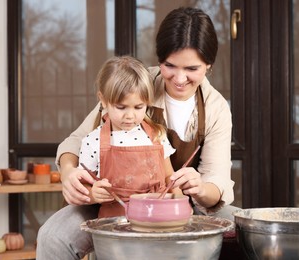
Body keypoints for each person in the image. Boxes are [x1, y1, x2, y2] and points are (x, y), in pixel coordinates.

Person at [37, 7, 237, 260]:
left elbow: (216, 184)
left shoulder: (216, 107)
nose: (179, 78)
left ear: (208, 65)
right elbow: (76, 141)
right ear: (159, 58)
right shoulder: (135, 83)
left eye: (192, 69)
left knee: (243, 229)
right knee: (52, 237)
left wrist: (199, 188)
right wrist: (68, 173)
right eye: (169, 65)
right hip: (113, 201)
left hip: (180, 204)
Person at [77, 55, 180, 218]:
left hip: (157, 220)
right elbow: (82, 187)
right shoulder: (93, 141)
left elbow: (170, 177)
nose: (130, 116)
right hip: (114, 225)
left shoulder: (156, 135)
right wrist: (92, 195)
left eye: (139, 107)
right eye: (121, 107)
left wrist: (179, 200)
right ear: (103, 100)